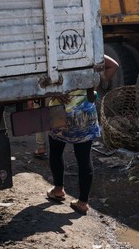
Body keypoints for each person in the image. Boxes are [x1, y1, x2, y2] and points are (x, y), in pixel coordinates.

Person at [45, 55, 119, 215]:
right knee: (84, 158)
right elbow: (114, 65)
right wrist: (97, 82)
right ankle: (83, 203)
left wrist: (54, 91)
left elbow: (41, 77)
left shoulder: (54, 50)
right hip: (85, 112)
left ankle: (58, 190)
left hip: (60, 110)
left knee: (56, 151)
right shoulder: (89, 52)